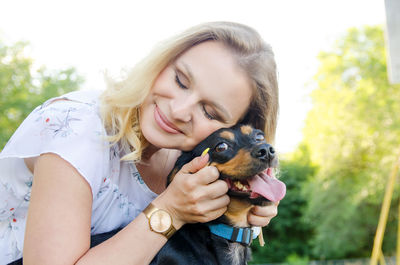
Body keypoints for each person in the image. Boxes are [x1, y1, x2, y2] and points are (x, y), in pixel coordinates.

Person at [0, 21, 280, 264]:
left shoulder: (185, 160)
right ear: (162, 61)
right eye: (181, 81)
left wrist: (251, 201)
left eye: (210, 112)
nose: (179, 111)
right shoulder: (77, 128)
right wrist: (170, 211)